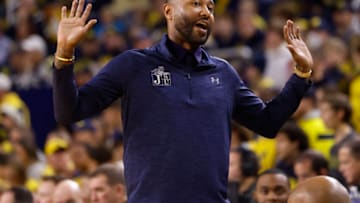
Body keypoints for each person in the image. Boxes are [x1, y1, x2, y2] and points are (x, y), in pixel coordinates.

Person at [53, 0, 313, 202]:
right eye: (196, 3)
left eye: (210, 7)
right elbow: (70, 112)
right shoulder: (134, 65)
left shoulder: (223, 73)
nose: (205, 12)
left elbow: (267, 123)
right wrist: (64, 55)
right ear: (168, 11)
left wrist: (301, 77)